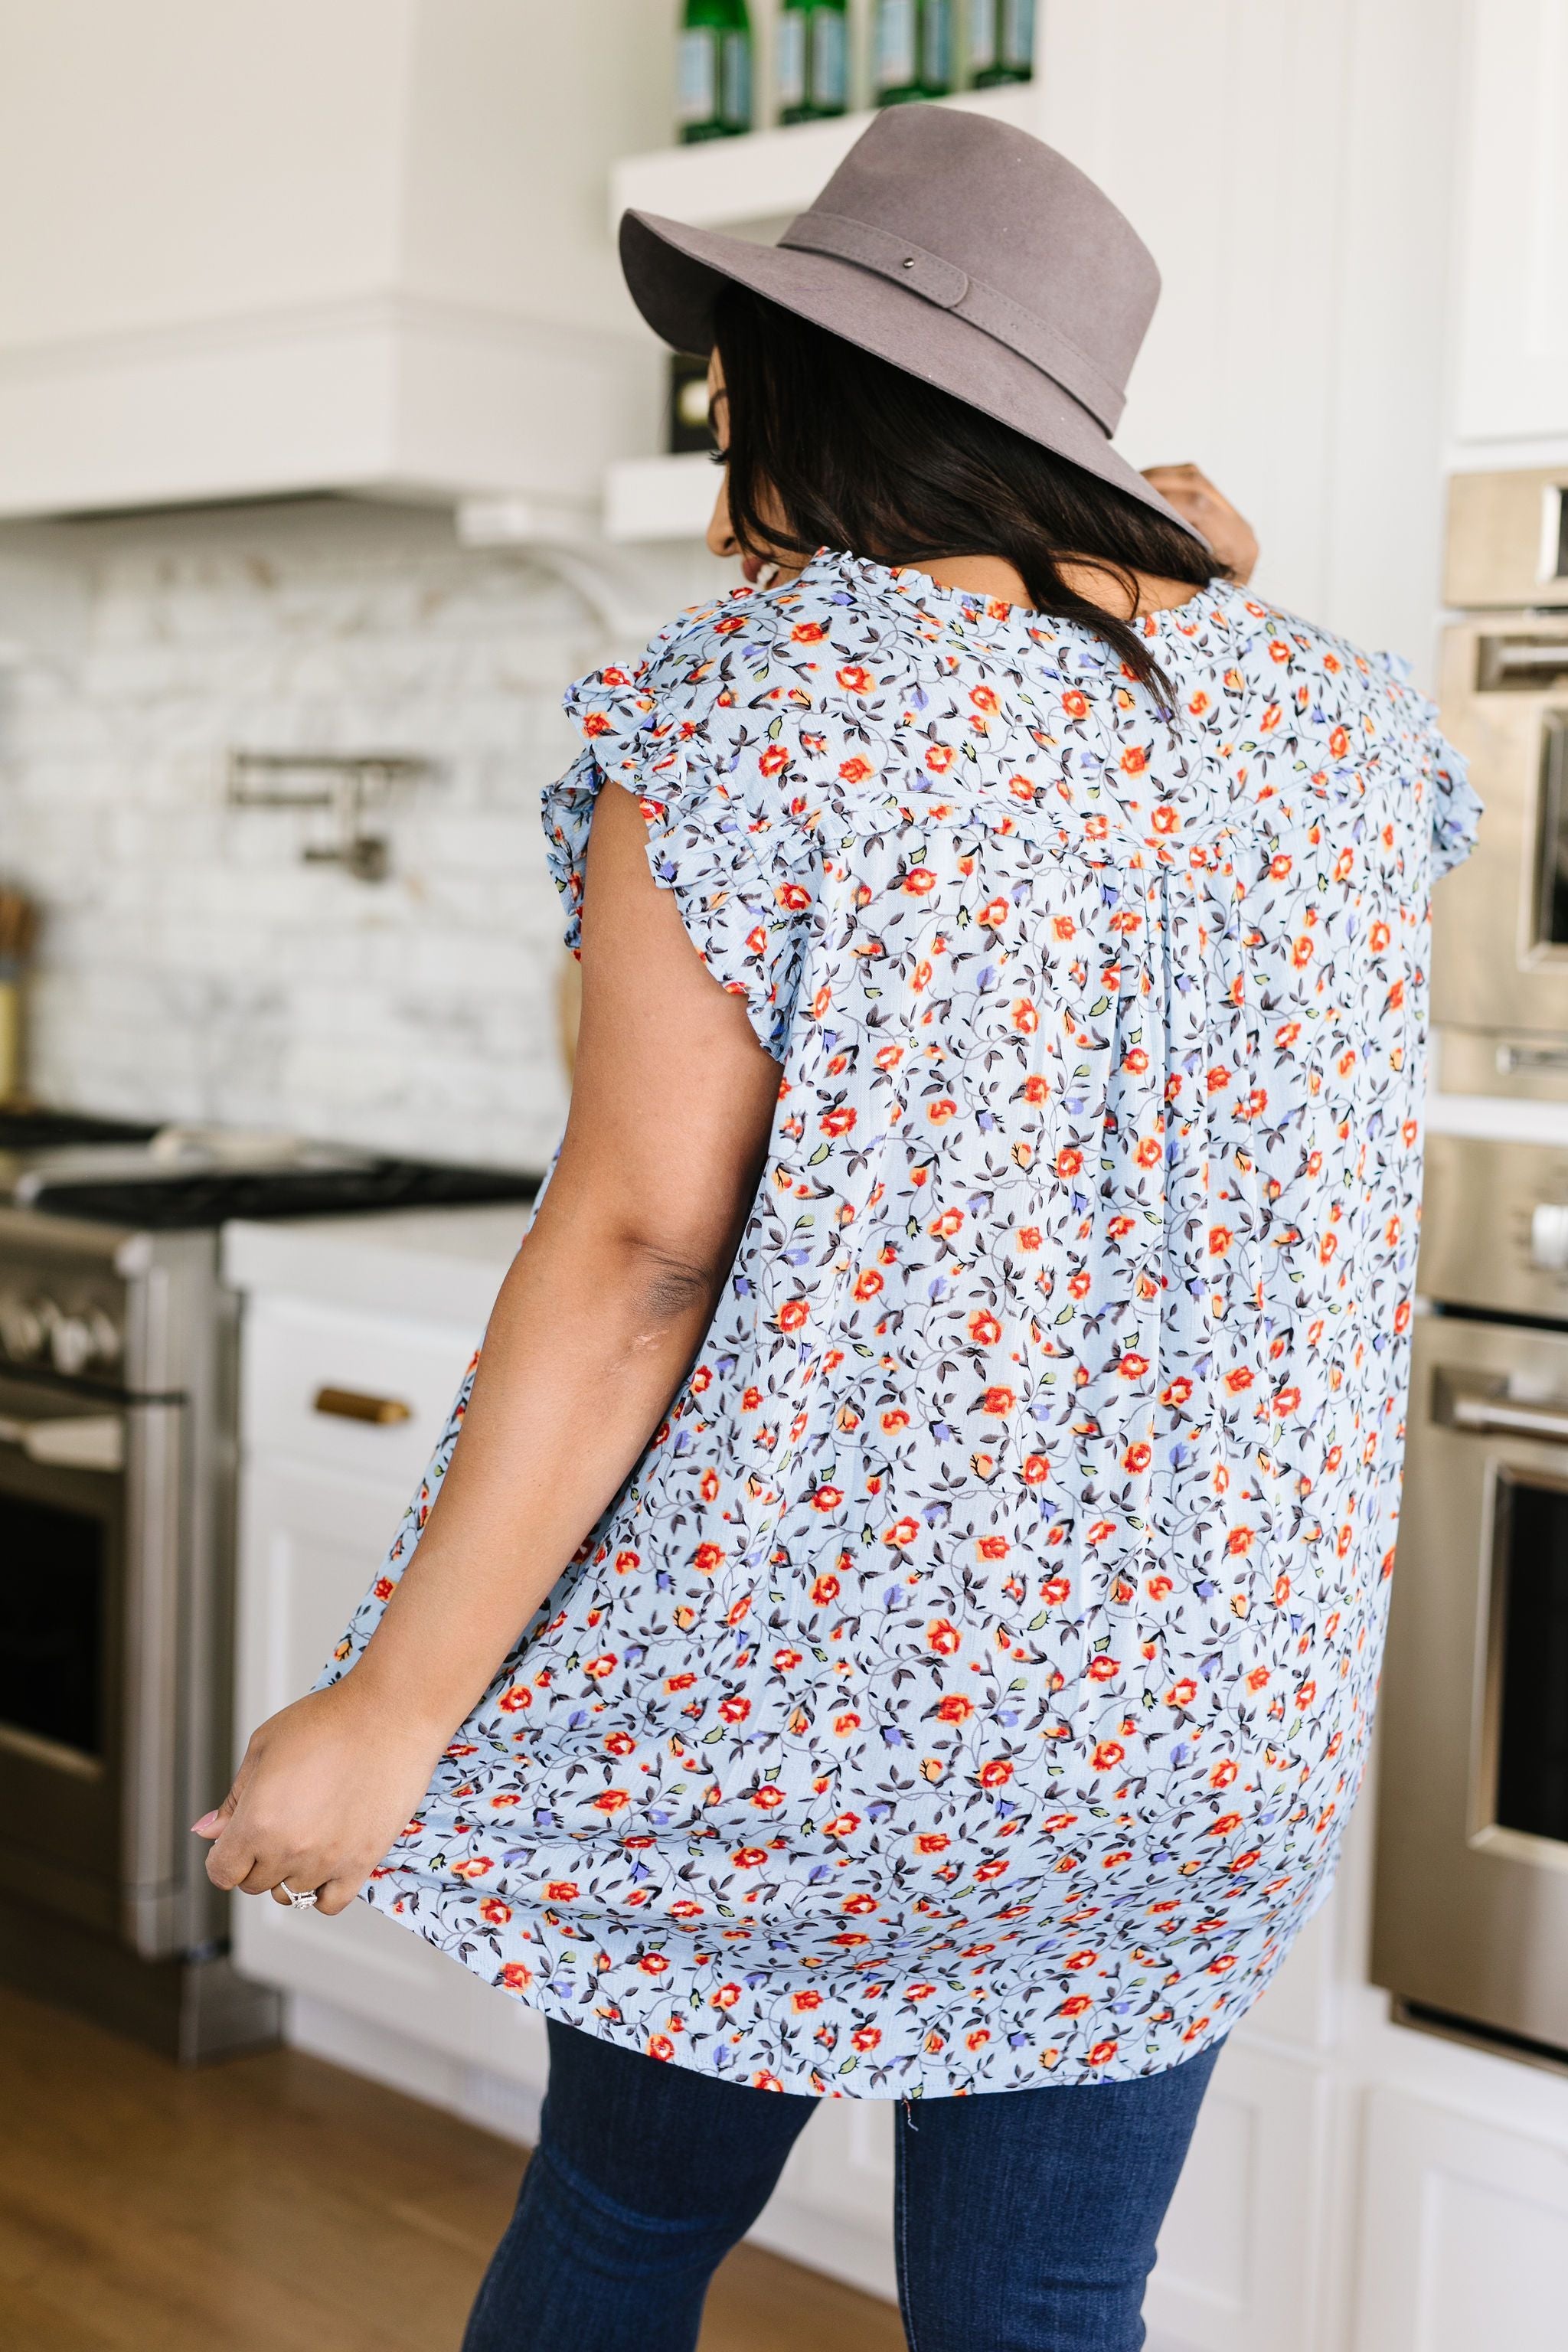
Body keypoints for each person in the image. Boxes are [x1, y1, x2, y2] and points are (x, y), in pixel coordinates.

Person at [194, 105, 1478, 2352]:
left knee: (618, 2233)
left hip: (830, 1715)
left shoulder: (748, 710)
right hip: (1198, 1725)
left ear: (834, 393)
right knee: (1052, 2302)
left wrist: (393, 1710)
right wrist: (1188, 567)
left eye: (747, 357)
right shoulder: (1354, 729)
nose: (718, 405)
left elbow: (641, 1253)